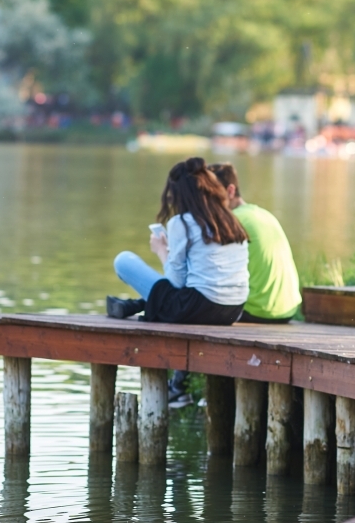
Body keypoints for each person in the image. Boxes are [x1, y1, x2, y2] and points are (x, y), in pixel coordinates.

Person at [106, 158, 249, 399]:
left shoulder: (181, 222)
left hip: (199, 306)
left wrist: (163, 250)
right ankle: (138, 304)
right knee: (167, 293)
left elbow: (176, 282)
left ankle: (139, 304)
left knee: (123, 261)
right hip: (233, 309)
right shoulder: (231, 220)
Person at [209, 162, 301, 323]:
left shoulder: (233, 222)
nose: (206, 203)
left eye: (211, 195)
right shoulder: (263, 214)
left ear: (230, 191)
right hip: (287, 310)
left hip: (256, 311)